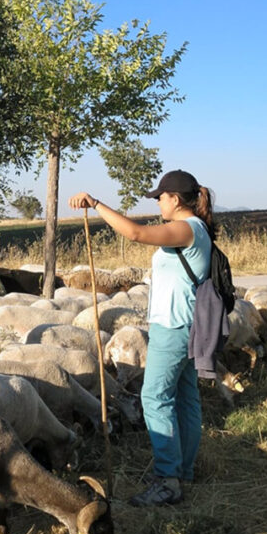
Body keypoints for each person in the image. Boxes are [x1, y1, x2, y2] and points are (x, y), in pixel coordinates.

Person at [68, 170, 215, 506]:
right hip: (189, 323)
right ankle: (183, 470)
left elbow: (135, 233)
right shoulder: (197, 229)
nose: (158, 203)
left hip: (174, 326)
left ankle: (168, 480)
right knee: (185, 397)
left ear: (175, 199)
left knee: (155, 398)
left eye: (160, 197)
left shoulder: (185, 227)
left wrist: (96, 203)